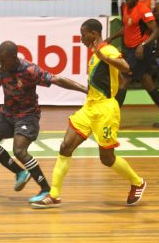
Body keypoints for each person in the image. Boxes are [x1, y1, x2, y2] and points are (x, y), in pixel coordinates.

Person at [32, 19, 146, 209]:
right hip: (89, 108)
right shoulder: (95, 54)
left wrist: (104, 57)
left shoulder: (106, 50)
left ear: (93, 34)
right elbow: (117, 77)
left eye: (83, 34)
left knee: (107, 158)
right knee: (65, 147)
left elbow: (125, 67)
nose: (81, 37)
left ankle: (137, 182)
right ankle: (54, 195)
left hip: (105, 111)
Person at [0, 41, 88, 203]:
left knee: (19, 150)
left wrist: (85, 89)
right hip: (7, 113)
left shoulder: (30, 70)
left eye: (3, 60)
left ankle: (45, 189)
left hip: (27, 116)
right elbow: (1, 76)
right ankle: (20, 173)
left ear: (14, 58)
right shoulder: (0, 64)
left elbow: (57, 80)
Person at [109, 0, 159, 127]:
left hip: (141, 51)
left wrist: (143, 45)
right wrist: (111, 38)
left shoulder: (143, 10)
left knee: (125, 79)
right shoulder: (125, 7)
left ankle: (111, 120)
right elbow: (127, 28)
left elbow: (156, 31)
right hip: (130, 50)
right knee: (147, 81)